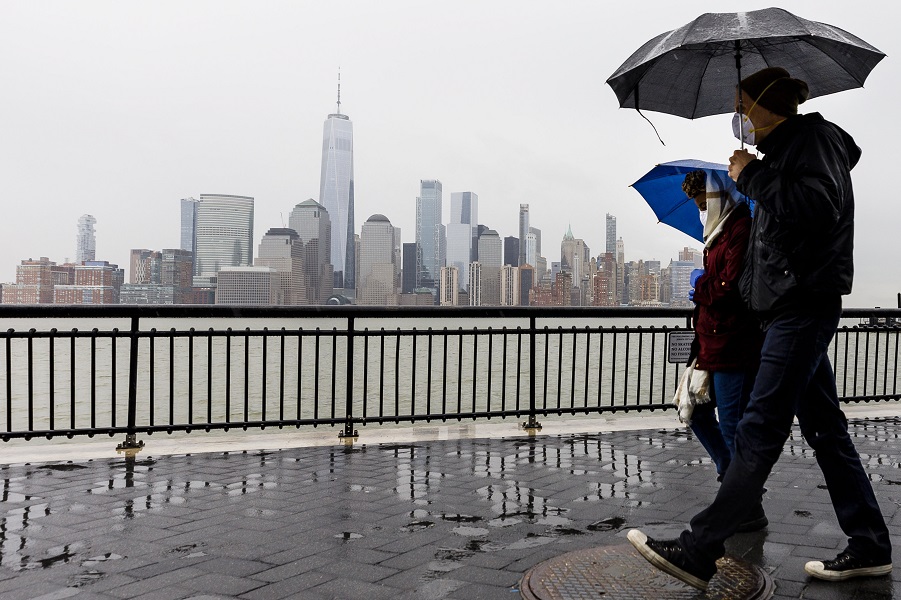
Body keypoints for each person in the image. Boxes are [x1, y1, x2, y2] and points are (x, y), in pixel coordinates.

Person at [628, 66, 892, 590]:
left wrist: (751, 176)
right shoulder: (787, 153)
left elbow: (818, 208)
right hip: (787, 310)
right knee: (825, 430)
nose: (739, 116)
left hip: (803, 307)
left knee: (758, 429)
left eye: (742, 104)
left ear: (766, 106)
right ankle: (869, 544)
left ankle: (700, 549)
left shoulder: (814, 141)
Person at [680, 170, 763, 518]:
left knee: (733, 424)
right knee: (695, 411)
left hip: (733, 342)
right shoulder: (718, 233)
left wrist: (700, 287)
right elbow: (720, 282)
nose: (701, 212)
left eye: (703, 204)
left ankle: (746, 506)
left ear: (717, 196)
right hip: (710, 342)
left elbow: (730, 288)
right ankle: (731, 479)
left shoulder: (741, 228)